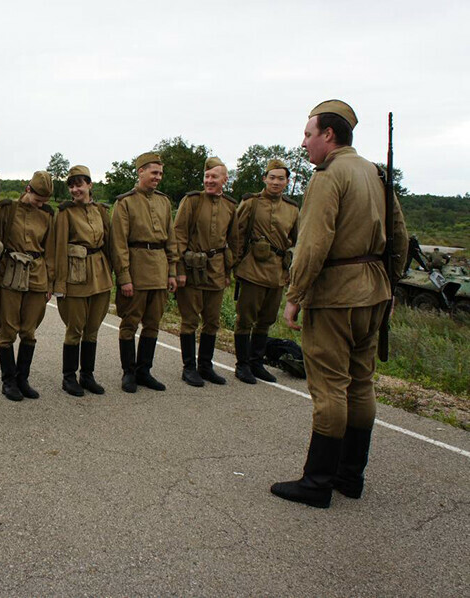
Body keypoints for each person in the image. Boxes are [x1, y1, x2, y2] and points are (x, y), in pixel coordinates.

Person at [272, 100, 408, 508]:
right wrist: (392, 285)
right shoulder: (374, 172)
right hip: (375, 292)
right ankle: (350, 476)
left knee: (330, 385)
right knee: (361, 382)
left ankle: (316, 483)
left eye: (308, 134)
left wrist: (295, 295)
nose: (304, 143)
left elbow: (312, 244)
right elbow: (399, 235)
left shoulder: (328, 176)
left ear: (328, 135)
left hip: (335, 296)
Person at [110, 153, 178, 393]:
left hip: (159, 270)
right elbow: (118, 244)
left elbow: (171, 239)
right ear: (140, 172)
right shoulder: (125, 202)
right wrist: (124, 277)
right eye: (153, 173)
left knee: (152, 324)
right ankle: (128, 372)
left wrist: (172, 271)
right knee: (130, 323)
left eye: (160, 173)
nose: (157, 178)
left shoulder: (164, 202)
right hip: (137, 271)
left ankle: (144, 370)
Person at [232, 159, 299, 384]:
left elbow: (296, 240)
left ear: (287, 182)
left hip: (277, 272)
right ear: (264, 179)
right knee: (245, 319)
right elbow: (237, 233)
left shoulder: (292, 209)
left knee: (266, 319)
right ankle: (242, 365)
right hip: (252, 268)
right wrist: (235, 264)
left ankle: (256, 362)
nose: (276, 182)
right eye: (272, 177)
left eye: (281, 178)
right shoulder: (251, 203)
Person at [174, 157, 239, 387]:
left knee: (212, 321)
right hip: (192, 269)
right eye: (207, 177)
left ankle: (206, 365)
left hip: (217, 270)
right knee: (189, 320)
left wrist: (229, 271)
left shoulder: (231, 206)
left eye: (214, 177)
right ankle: (189, 368)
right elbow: (179, 236)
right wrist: (179, 269)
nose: (209, 181)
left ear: (225, 179)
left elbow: (234, 241)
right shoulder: (192, 201)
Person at [0, 171, 55, 400]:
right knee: (8, 329)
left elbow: (51, 250)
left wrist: (50, 281)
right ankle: (8, 382)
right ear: (28, 189)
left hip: (37, 274)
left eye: (44, 202)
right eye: (38, 200)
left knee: (29, 330)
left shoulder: (48, 215)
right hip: (10, 272)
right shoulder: (7, 210)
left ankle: (22, 379)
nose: (40, 205)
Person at [53, 165, 113, 396]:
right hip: (75, 275)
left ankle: (87, 376)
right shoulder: (65, 213)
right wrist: (59, 285)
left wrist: (117, 273)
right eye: (72, 185)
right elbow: (59, 249)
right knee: (75, 328)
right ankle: (69, 378)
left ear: (90, 185)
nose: (76, 189)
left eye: (80, 184)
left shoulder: (101, 211)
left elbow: (109, 243)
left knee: (93, 329)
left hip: (100, 274)